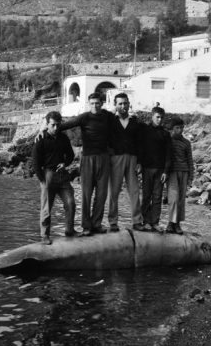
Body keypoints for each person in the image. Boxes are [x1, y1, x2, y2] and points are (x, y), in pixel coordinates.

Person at [58, 93, 112, 236]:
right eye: (92, 103)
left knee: (102, 194)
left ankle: (97, 224)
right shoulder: (84, 117)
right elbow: (64, 125)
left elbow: (119, 128)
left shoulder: (108, 116)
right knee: (87, 194)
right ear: (89, 103)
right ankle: (86, 225)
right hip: (87, 159)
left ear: (102, 103)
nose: (95, 106)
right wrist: (45, 128)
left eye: (97, 103)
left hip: (104, 158)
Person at [32, 111, 76, 245]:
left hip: (62, 176)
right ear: (47, 124)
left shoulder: (64, 138)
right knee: (46, 208)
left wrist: (65, 163)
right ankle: (44, 235)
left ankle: (69, 230)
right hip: (48, 175)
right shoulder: (40, 140)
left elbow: (70, 155)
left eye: (58, 125)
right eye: (53, 125)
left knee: (70, 203)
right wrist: (42, 181)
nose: (56, 128)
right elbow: (35, 163)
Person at [107, 93, 146, 232]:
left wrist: (140, 161)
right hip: (116, 159)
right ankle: (113, 222)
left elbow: (141, 144)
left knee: (134, 191)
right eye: (120, 104)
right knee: (114, 192)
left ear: (129, 104)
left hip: (132, 159)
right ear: (115, 105)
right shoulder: (110, 121)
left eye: (125, 103)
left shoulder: (135, 123)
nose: (123, 106)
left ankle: (137, 221)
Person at [139, 106, 172, 232]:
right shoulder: (145, 131)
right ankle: (145, 221)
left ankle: (155, 222)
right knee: (147, 195)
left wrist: (166, 171)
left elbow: (169, 154)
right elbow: (140, 149)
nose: (159, 120)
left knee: (157, 196)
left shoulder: (165, 134)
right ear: (152, 116)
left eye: (161, 118)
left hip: (160, 170)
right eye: (157, 117)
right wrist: (139, 164)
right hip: (147, 168)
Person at [166, 117, 194, 235]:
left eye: (182, 127)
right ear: (172, 129)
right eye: (177, 128)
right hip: (171, 172)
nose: (180, 130)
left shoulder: (186, 143)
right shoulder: (167, 141)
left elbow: (190, 160)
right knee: (173, 198)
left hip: (184, 172)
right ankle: (170, 223)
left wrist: (191, 177)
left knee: (181, 199)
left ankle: (177, 224)